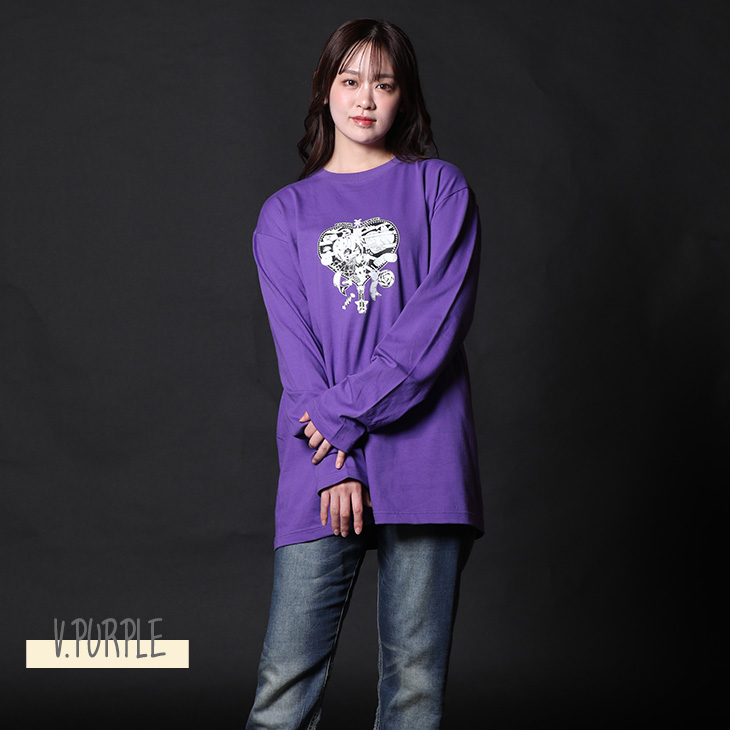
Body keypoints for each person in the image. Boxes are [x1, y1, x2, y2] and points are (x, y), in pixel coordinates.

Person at [246, 18, 484, 730]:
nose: (366, 98)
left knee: (414, 687)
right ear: (325, 89)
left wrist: (343, 417)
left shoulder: (439, 188)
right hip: (321, 455)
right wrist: (336, 461)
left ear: (405, 95)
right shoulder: (283, 214)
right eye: (350, 80)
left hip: (426, 457)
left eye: (384, 82)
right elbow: (297, 355)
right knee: (284, 687)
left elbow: (434, 328)